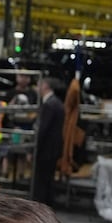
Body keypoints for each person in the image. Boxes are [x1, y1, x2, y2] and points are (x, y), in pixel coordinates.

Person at [31, 76, 65, 207]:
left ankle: (41, 208)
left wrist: (35, 148)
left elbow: (43, 129)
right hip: (53, 149)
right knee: (48, 179)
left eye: (38, 85)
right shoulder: (57, 103)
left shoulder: (49, 105)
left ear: (45, 86)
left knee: (42, 180)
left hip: (46, 149)